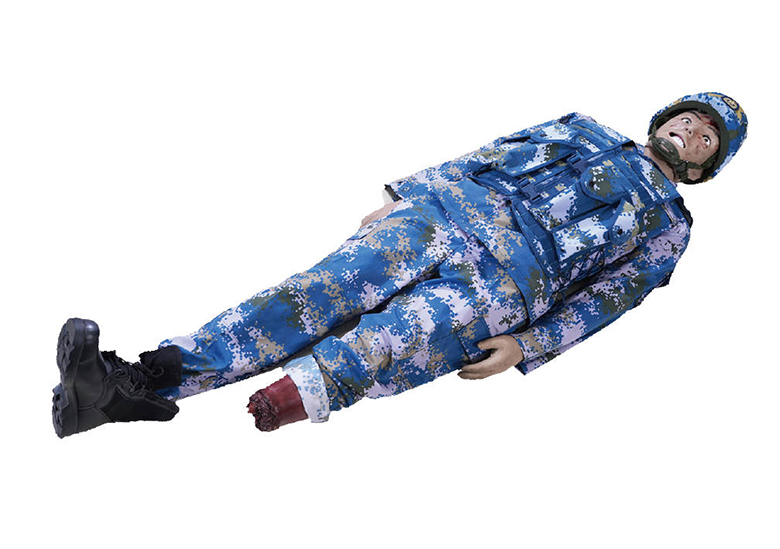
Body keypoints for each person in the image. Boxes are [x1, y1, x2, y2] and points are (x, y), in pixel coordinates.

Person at [51, 92, 748, 438]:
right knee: (307, 295)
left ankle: (276, 404)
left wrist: (530, 345)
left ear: (705, 165)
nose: (692, 129)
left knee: (380, 345)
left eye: (708, 136)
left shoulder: (669, 227)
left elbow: (607, 300)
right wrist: (402, 195)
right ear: (665, 115)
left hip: (504, 288)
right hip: (438, 218)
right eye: (689, 116)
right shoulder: (581, 126)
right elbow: (488, 153)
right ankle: (135, 382)